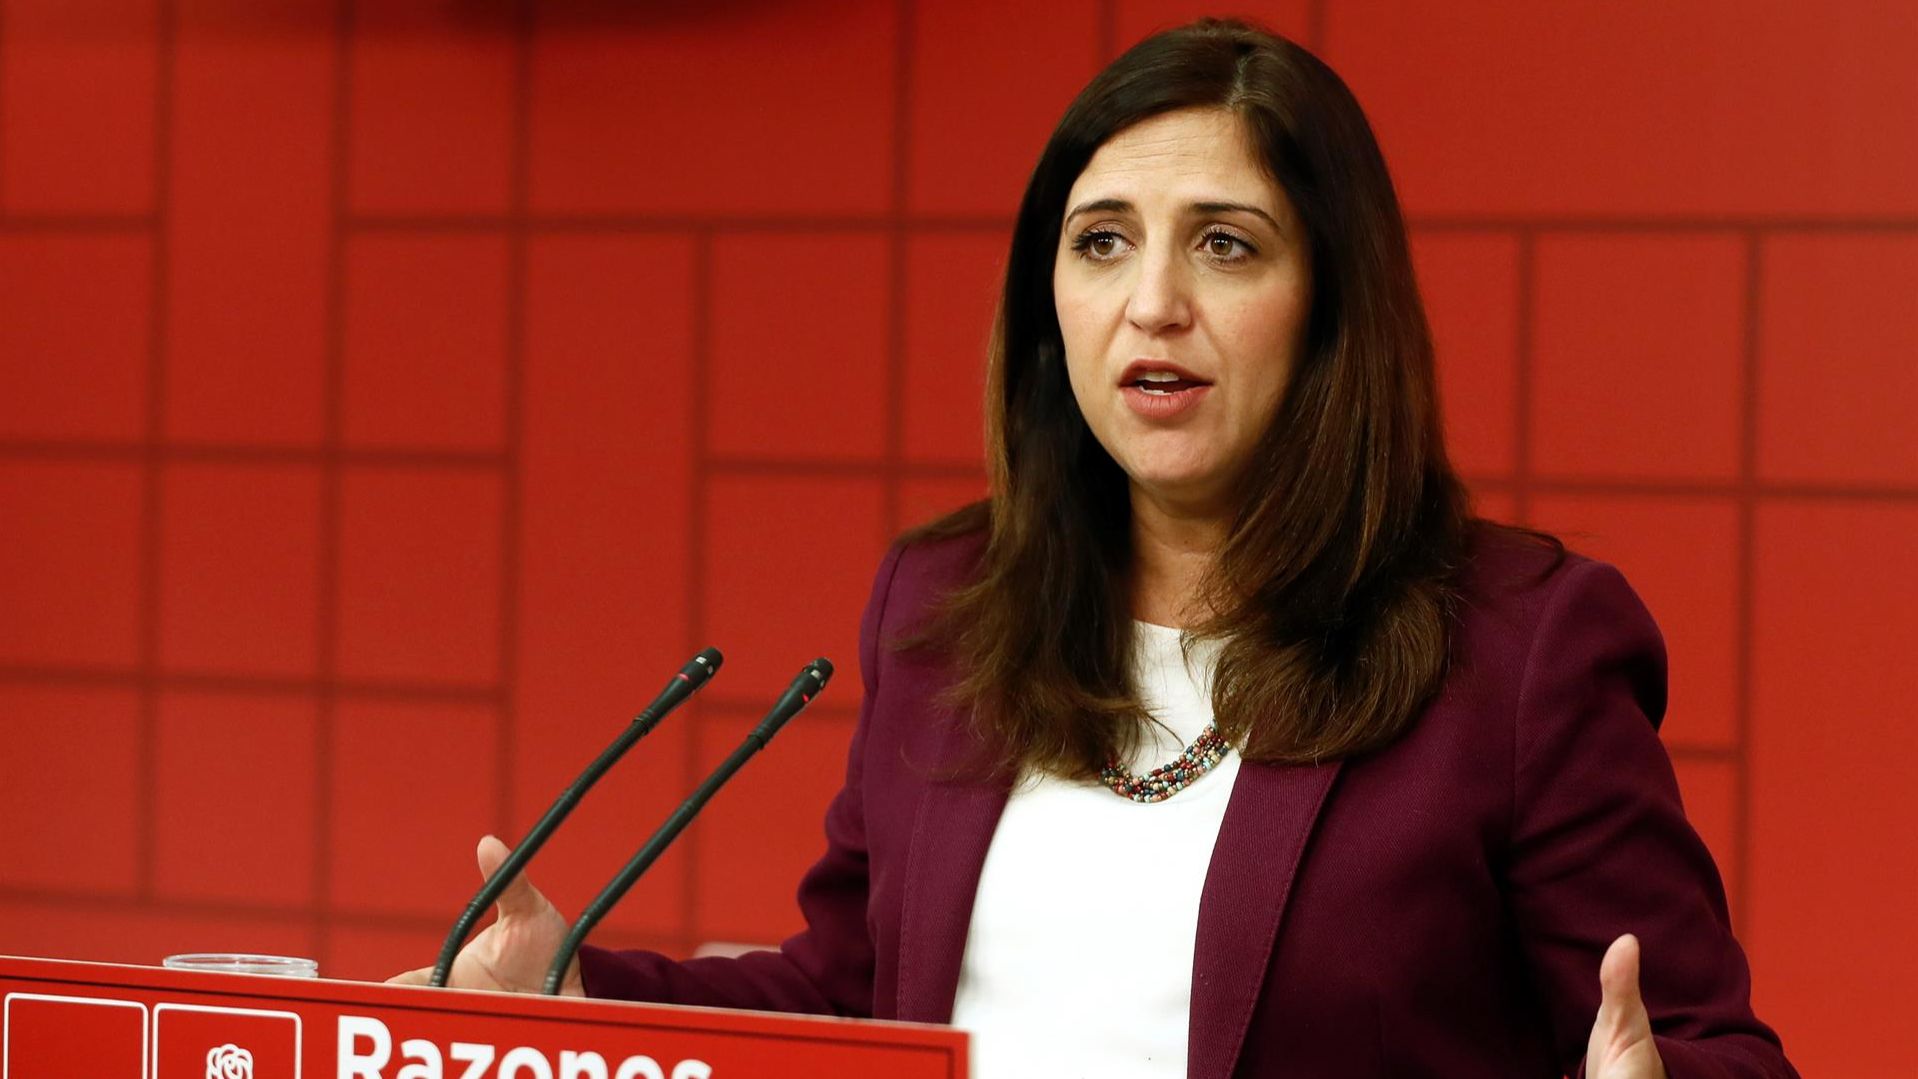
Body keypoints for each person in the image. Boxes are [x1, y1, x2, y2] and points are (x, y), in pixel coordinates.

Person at [394, 18, 1797, 1078]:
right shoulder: (947, 605)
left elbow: (1704, 1047)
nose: (1153, 302)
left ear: (1331, 305)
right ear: (1048, 297)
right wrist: (576, 999)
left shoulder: (1518, 650)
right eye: (1102, 242)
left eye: (1226, 246)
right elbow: (861, 997)